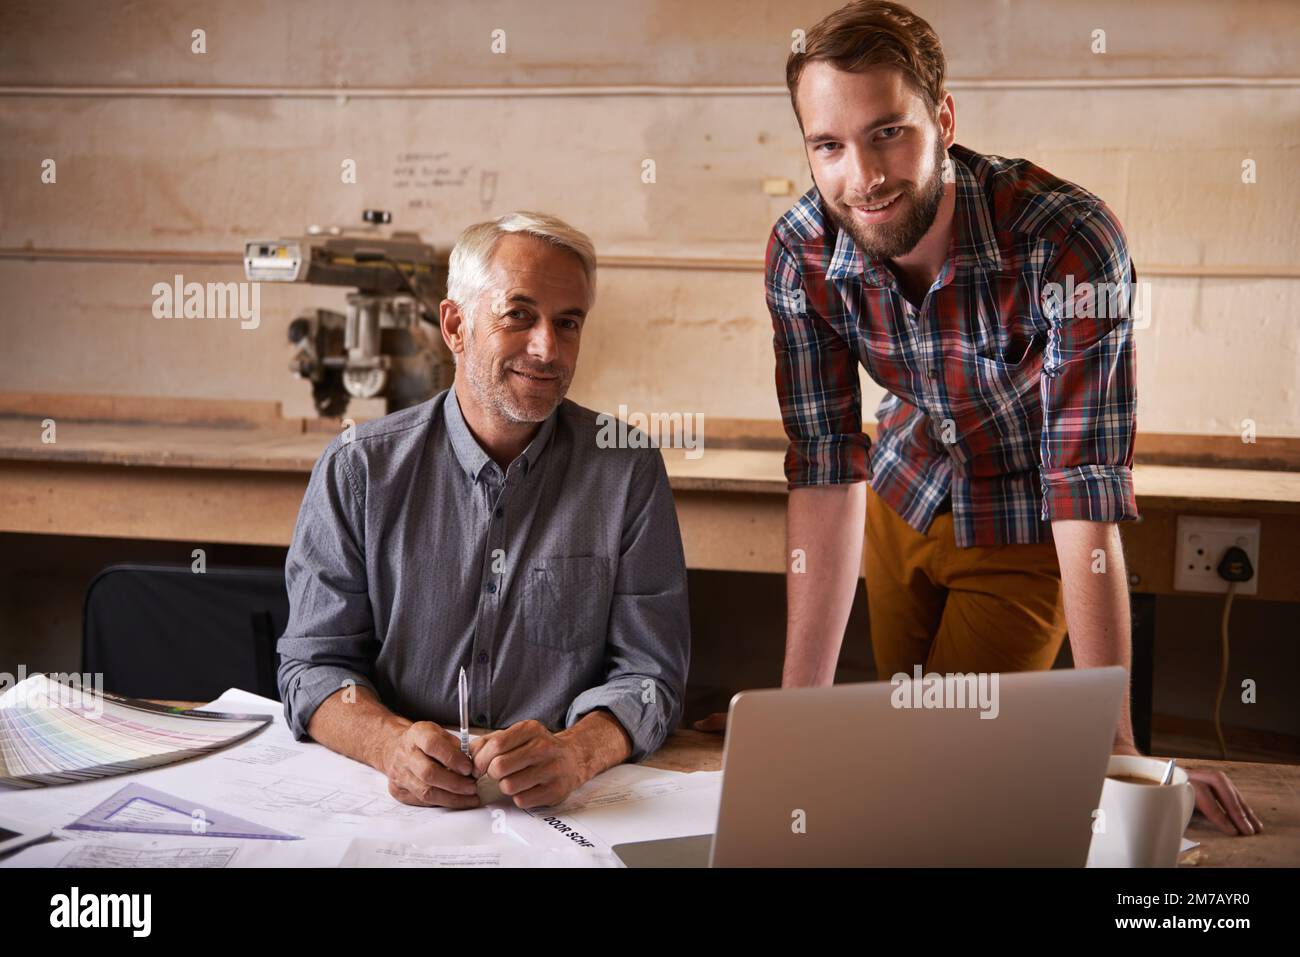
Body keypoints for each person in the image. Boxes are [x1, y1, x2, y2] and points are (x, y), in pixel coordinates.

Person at [699, 0, 1259, 837]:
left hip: (1023, 521)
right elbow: (823, 468)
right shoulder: (802, 250)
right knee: (900, 730)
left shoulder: (1067, 242)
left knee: (954, 770)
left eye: (890, 132)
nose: (865, 176)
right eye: (829, 145)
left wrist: (1120, 755)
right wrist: (790, 729)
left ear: (945, 119)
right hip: (899, 493)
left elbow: (1082, 489)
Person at [278, 212, 690, 810]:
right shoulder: (358, 470)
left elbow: (651, 678)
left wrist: (577, 751)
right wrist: (389, 744)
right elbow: (312, 668)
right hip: (393, 809)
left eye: (567, 323)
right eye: (518, 315)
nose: (547, 347)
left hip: (565, 816)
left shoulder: (626, 470)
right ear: (455, 325)